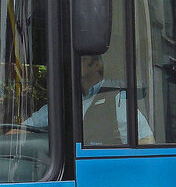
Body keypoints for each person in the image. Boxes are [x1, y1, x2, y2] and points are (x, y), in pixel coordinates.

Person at [19, 55, 153, 145]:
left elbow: (145, 142)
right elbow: (23, 129)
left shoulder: (117, 100)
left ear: (96, 65)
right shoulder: (63, 102)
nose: (73, 64)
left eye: (81, 59)